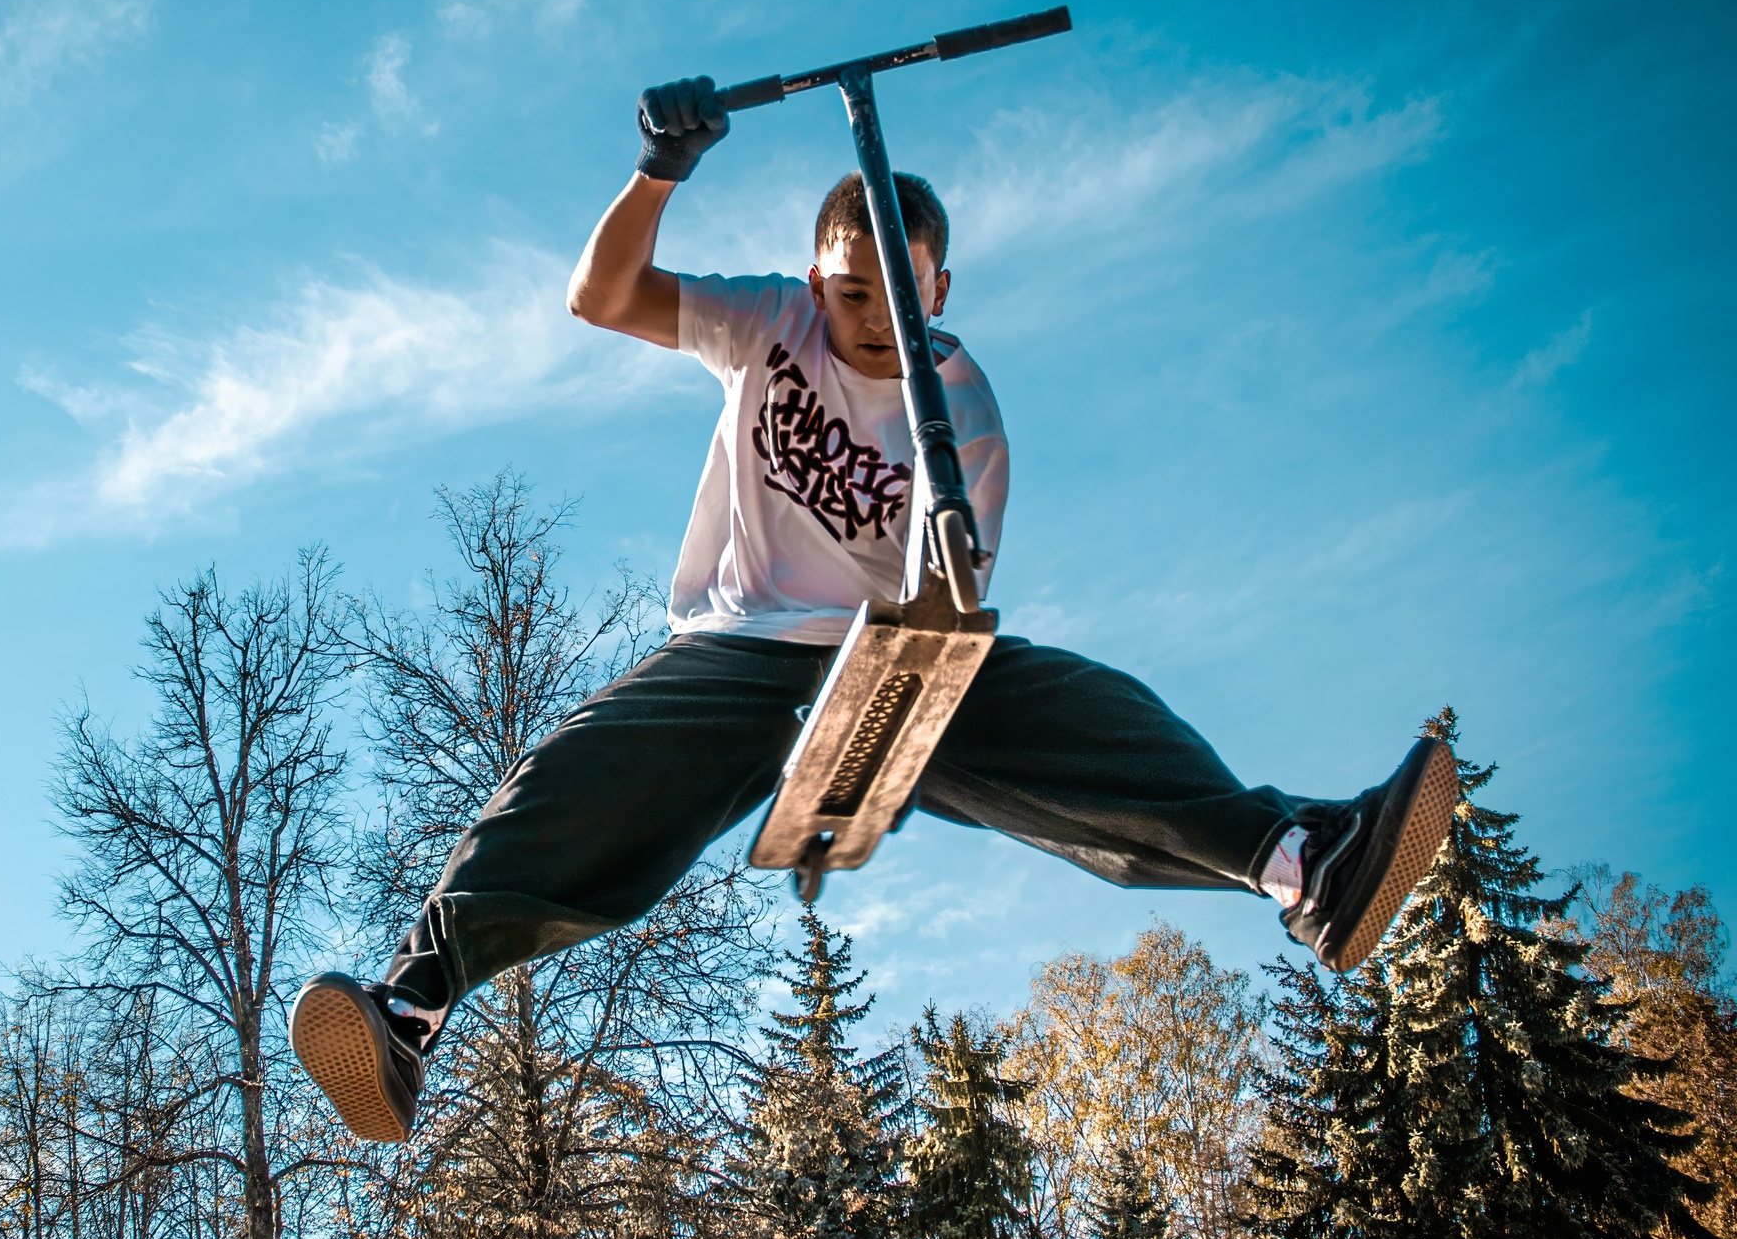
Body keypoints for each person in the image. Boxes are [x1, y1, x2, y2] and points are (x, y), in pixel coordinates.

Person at [288, 74, 1462, 1144]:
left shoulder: (968, 406)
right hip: (743, 649)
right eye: (849, 292)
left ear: (940, 286)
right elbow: (600, 297)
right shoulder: (766, 321)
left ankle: (1303, 857)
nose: (870, 319)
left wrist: (941, 579)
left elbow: (951, 611)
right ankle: (412, 1008)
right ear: (814, 279)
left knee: (1070, 708)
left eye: (898, 296)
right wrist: (659, 173)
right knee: (587, 769)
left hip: (888, 655)